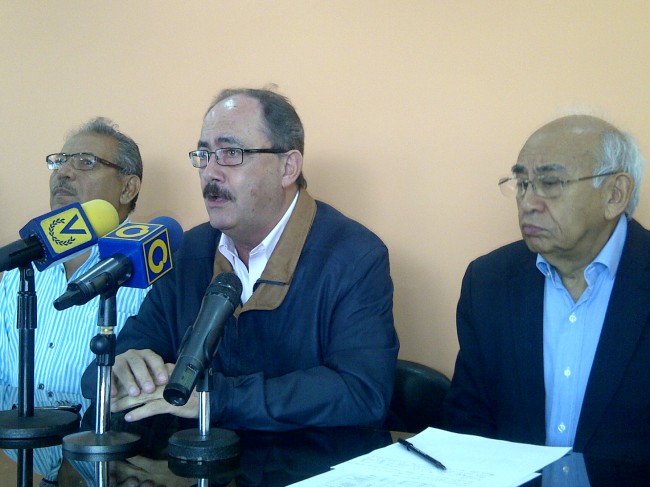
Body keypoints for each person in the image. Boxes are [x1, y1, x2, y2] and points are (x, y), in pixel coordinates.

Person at [82, 87, 399, 431]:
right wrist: (121, 369)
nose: (210, 172)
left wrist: (217, 397)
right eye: (204, 155)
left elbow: (362, 392)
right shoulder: (189, 251)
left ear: (288, 167)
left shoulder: (354, 256)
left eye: (231, 153)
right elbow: (115, 365)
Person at [444, 114, 650, 462]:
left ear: (615, 194)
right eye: (522, 183)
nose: (528, 202)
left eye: (550, 182)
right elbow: (468, 421)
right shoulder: (489, 281)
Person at [0, 117, 149, 397]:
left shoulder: (152, 274)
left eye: (85, 162)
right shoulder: (21, 269)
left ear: (128, 188)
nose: (63, 172)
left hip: (98, 424)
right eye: (59, 162)